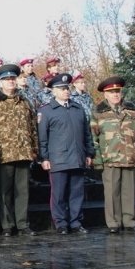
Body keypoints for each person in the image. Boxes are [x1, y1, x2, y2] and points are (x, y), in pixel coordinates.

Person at [0, 64, 38, 237]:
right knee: (5, 192)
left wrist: (34, 149)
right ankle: (7, 225)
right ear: (0, 83)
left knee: (23, 191)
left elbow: (33, 127)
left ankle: (22, 224)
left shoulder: (25, 101)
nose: (11, 82)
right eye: (7, 79)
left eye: (13, 79)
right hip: (3, 154)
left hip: (24, 152)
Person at [38, 73, 94, 235]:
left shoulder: (78, 109)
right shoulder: (46, 111)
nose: (66, 91)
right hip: (58, 159)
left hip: (77, 157)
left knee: (77, 193)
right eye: (62, 89)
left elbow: (87, 133)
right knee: (59, 194)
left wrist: (89, 153)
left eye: (67, 88)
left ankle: (76, 222)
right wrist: (44, 157)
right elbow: (42, 137)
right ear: (54, 91)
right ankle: (61, 223)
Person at [91, 76, 135, 234]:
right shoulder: (98, 113)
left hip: (129, 157)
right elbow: (93, 138)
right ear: (105, 94)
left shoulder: (133, 110)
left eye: (118, 91)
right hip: (110, 158)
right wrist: (98, 160)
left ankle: (129, 222)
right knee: (111, 192)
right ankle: (113, 223)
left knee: (129, 192)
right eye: (111, 92)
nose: (115, 94)